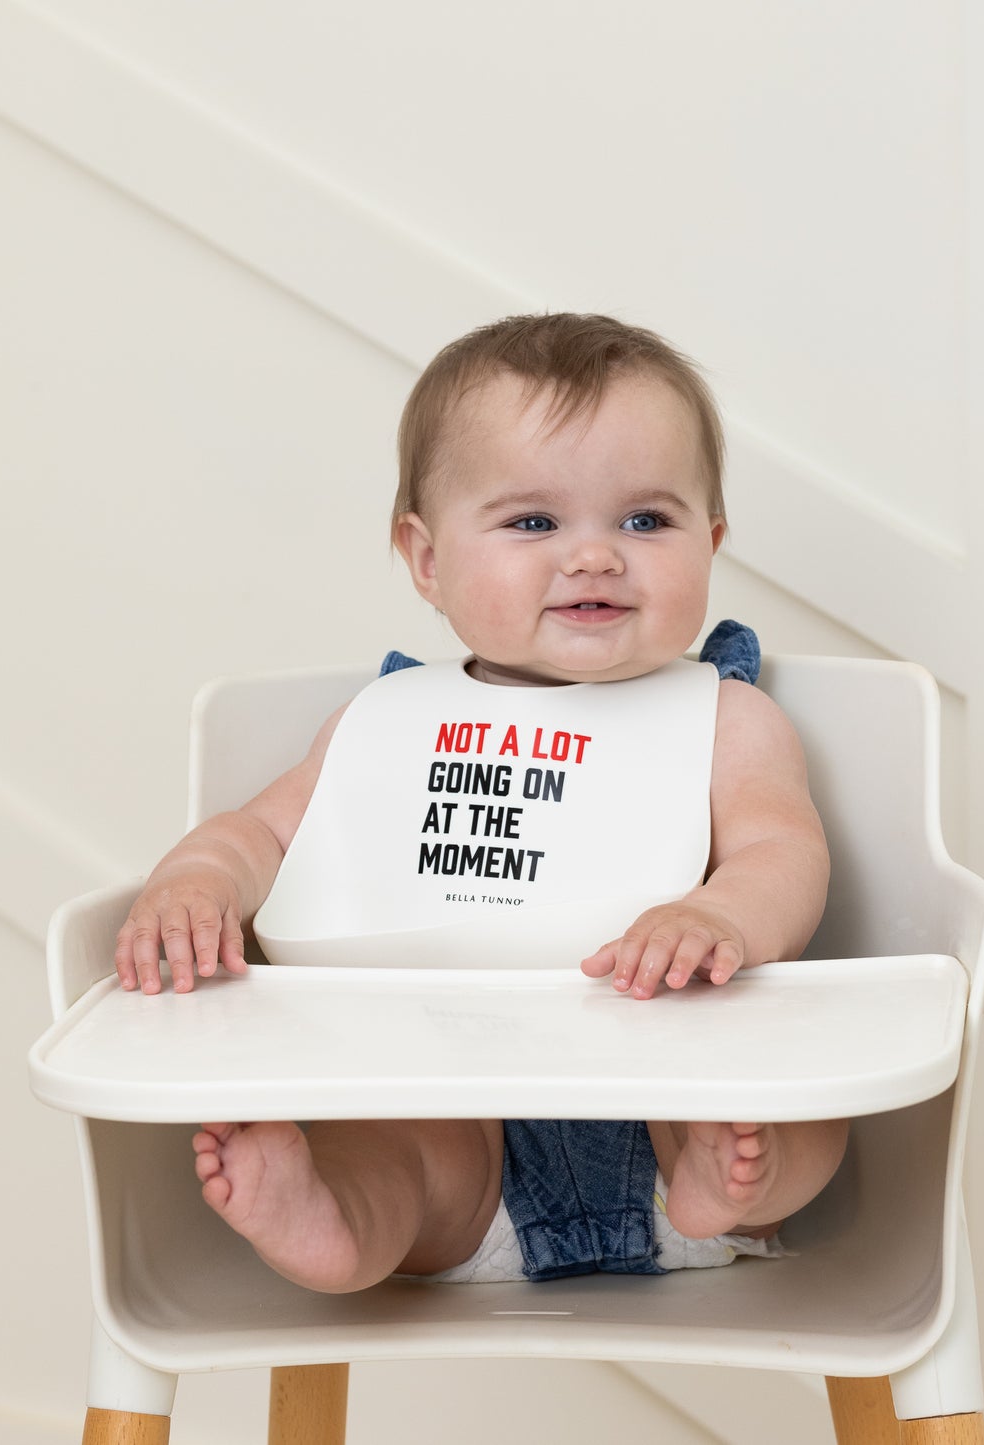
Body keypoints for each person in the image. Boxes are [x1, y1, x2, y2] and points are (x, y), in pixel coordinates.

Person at [113, 313, 846, 1292]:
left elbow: (781, 851)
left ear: (709, 542)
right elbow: (262, 833)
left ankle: (738, 1177)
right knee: (395, 1147)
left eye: (644, 521)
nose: (594, 556)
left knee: (803, 1108)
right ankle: (338, 1216)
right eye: (533, 522)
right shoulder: (388, 723)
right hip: (459, 1127)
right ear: (426, 558)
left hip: (675, 1118)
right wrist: (199, 881)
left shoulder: (726, 719)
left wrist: (719, 916)